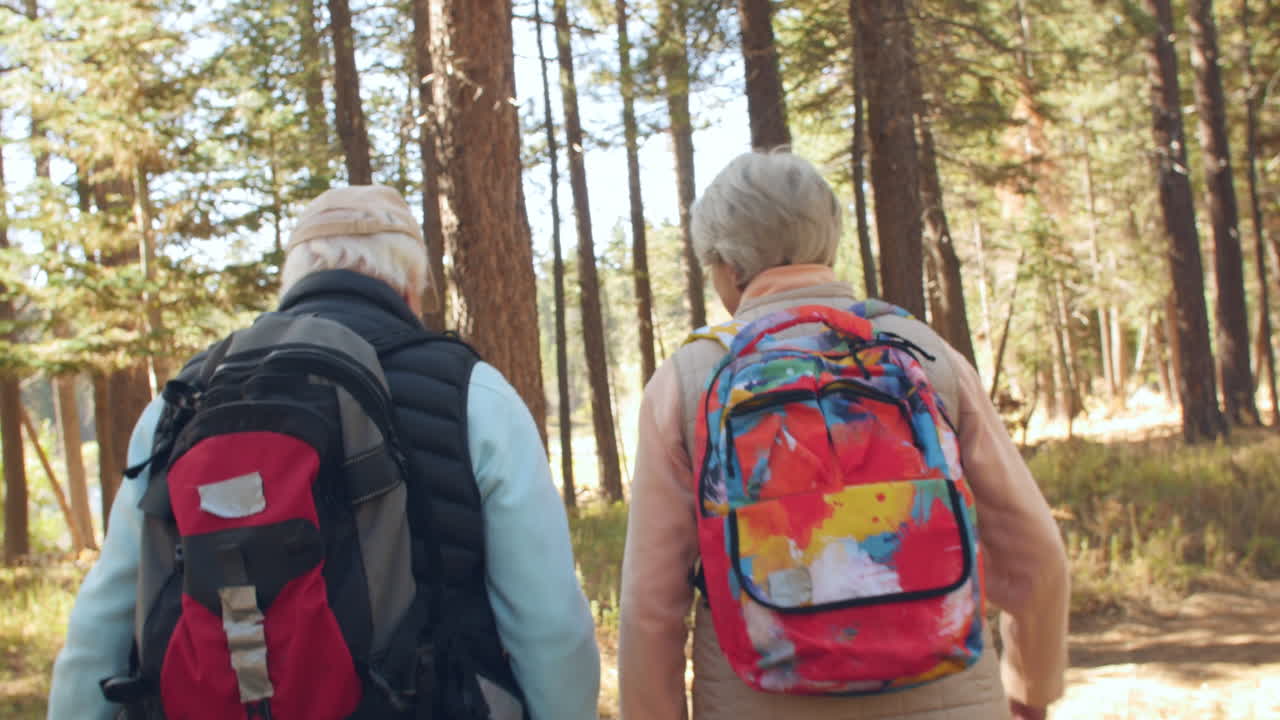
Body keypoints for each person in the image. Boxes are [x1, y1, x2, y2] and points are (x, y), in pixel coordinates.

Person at [48, 185, 600, 720]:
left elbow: (106, 615)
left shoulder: (185, 399)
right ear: (411, 286)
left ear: (291, 284)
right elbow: (548, 622)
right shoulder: (475, 394)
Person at [619, 151, 1069, 720]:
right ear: (827, 245)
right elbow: (1034, 550)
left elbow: (650, 607)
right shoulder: (925, 354)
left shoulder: (688, 380)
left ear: (728, 266)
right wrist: (1032, 686)